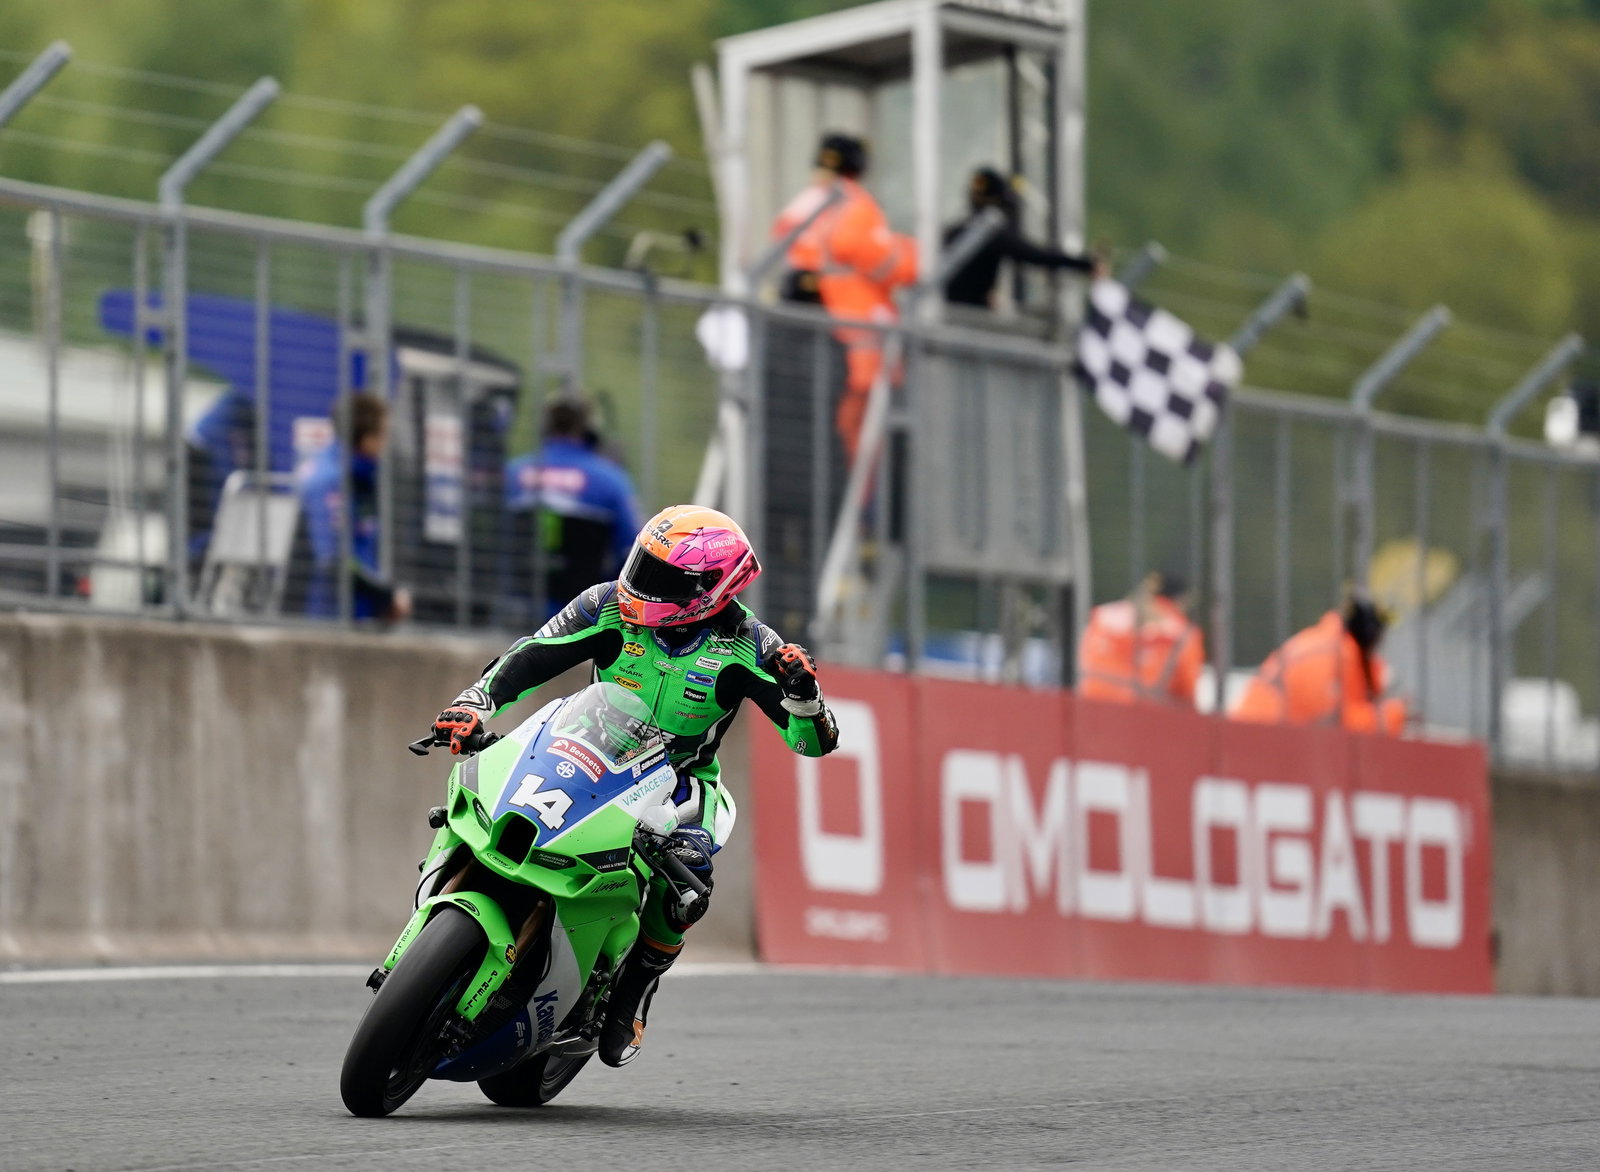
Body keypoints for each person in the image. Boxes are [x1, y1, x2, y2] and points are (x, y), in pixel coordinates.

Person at [428, 504, 840, 1067]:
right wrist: (474, 701)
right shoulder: (607, 606)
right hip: (585, 748)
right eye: (642, 564)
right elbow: (531, 657)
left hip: (678, 782)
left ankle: (635, 991)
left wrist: (804, 696)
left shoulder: (750, 645)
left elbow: (813, 743)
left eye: (662, 578)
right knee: (481, 781)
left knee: (686, 878)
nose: (640, 584)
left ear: (711, 589)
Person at [771, 132, 918, 460]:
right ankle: (865, 506)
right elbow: (886, 263)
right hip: (853, 338)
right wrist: (916, 255)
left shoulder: (802, 204)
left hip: (800, 331)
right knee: (859, 434)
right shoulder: (853, 204)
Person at [504, 399, 640, 621]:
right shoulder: (611, 480)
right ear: (589, 430)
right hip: (585, 614)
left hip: (513, 607)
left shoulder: (513, 473)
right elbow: (631, 547)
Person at [299, 393, 410, 622]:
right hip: (326, 619)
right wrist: (386, 597)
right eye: (383, 433)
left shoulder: (358, 477)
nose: (386, 442)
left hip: (352, 616)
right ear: (367, 439)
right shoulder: (331, 480)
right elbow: (335, 560)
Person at [1231, 588, 1405, 734]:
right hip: (1260, 743)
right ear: (1369, 631)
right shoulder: (1329, 656)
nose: (1381, 641)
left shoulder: (1334, 649)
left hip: (1268, 742)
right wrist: (1389, 716)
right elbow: (1331, 724)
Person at [944, 167, 1106, 310]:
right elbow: (1037, 256)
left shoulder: (953, 231)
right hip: (965, 321)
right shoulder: (991, 234)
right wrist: (1086, 263)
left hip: (946, 313)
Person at [1077, 571, 1205, 707]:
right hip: (1142, 714)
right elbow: (1187, 690)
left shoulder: (1102, 616)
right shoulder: (1182, 632)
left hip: (1091, 706)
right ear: (1182, 600)